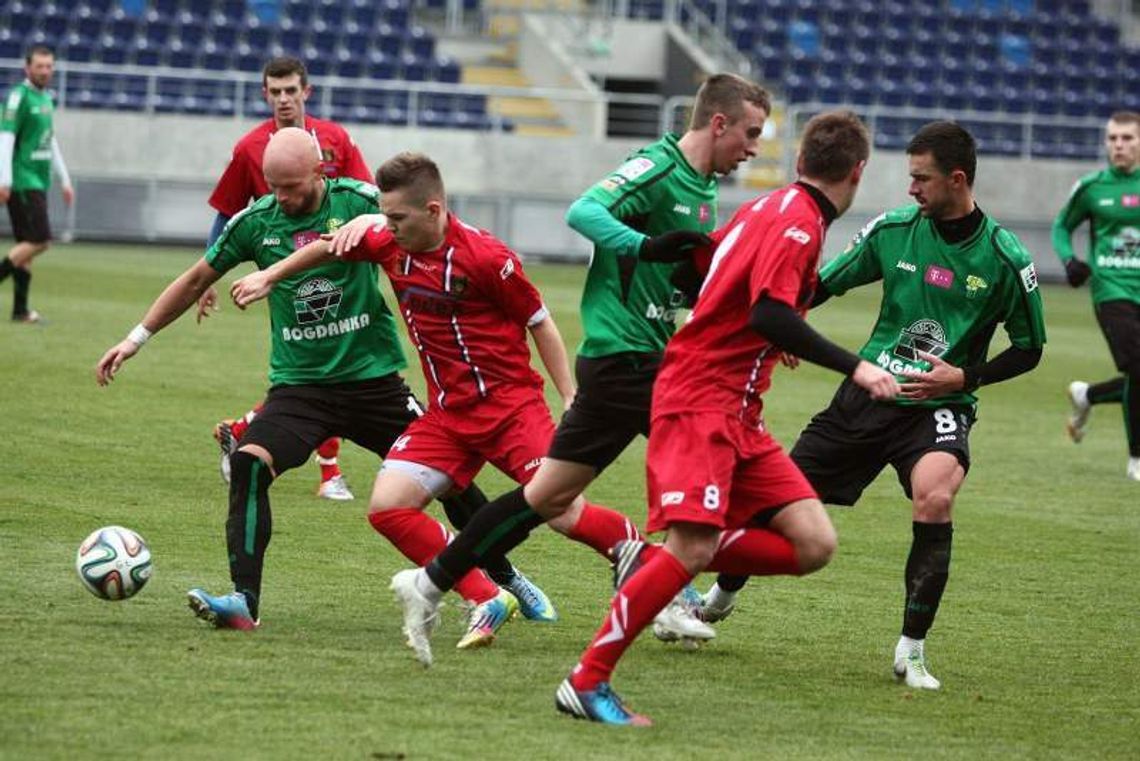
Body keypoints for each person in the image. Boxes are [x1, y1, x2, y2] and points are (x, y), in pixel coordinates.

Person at [376, 73, 772, 658]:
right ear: (719, 123)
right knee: (694, 482)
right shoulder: (657, 168)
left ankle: (438, 581)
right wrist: (642, 247)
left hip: (646, 359)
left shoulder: (700, 188)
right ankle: (663, 595)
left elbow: (668, 281)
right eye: (752, 132)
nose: (755, 148)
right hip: (622, 359)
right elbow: (586, 210)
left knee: (553, 501)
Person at [96, 129, 548, 632]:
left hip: (375, 383)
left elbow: (411, 215)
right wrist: (135, 339)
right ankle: (244, 602)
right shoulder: (256, 223)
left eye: (291, 187)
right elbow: (197, 277)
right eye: (273, 187)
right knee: (248, 464)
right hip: (301, 389)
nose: (282, 198)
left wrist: (376, 218)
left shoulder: (358, 201)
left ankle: (505, 576)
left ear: (320, 173)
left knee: (451, 482)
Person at [555, 110, 899, 726]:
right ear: (859, 170)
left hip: (740, 409)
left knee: (813, 544)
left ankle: (664, 558)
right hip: (701, 399)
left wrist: (771, 332)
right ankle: (587, 680)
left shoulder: (772, 208)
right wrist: (856, 367)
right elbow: (769, 312)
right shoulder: (798, 223)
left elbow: (723, 285)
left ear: (799, 163)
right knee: (691, 546)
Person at [232, 151, 641, 662]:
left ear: (434, 210)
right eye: (384, 217)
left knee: (561, 512)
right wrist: (272, 275)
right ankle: (487, 597)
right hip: (448, 418)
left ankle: (647, 563)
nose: (388, 227)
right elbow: (331, 248)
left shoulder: (488, 258)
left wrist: (569, 396)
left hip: (511, 409)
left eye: (397, 218)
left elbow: (540, 321)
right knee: (388, 509)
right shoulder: (390, 241)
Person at [703, 121, 1047, 693]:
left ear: (956, 179)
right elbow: (822, 284)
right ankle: (719, 597)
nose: (911, 189)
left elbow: (1031, 350)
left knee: (935, 496)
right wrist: (790, 326)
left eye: (922, 179)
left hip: (938, 407)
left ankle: (911, 650)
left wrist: (966, 375)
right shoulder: (893, 231)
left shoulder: (1005, 259)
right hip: (864, 398)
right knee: (774, 498)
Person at [201, 56, 373, 501]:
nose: (283, 99)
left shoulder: (335, 139)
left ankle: (244, 428)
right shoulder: (249, 149)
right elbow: (228, 215)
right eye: (274, 92)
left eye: (290, 91)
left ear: (306, 92)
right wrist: (207, 278)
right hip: (281, 276)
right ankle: (329, 474)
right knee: (321, 372)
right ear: (265, 95)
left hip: (339, 266)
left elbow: (368, 200)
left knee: (323, 373)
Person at [1052, 111, 1140, 481]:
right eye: (1113, 138)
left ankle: (1087, 395)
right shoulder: (1091, 188)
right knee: (1138, 367)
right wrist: (1070, 260)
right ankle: (1137, 458)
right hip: (1111, 289)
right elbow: (1061, 226)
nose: (1119, 145)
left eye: (1127, 138)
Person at [0, 45, 74, 324]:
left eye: (49, 66)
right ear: (27, 67)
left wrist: (64, 178)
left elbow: (49, 140)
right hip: (22, 180)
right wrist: (4, 179)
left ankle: (20, 310)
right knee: (40, 240)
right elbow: (5, 138)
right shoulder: (18, 97)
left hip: (38, 180)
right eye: (40, 66)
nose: (45, 71)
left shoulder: (46, 99)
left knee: (25, 246)